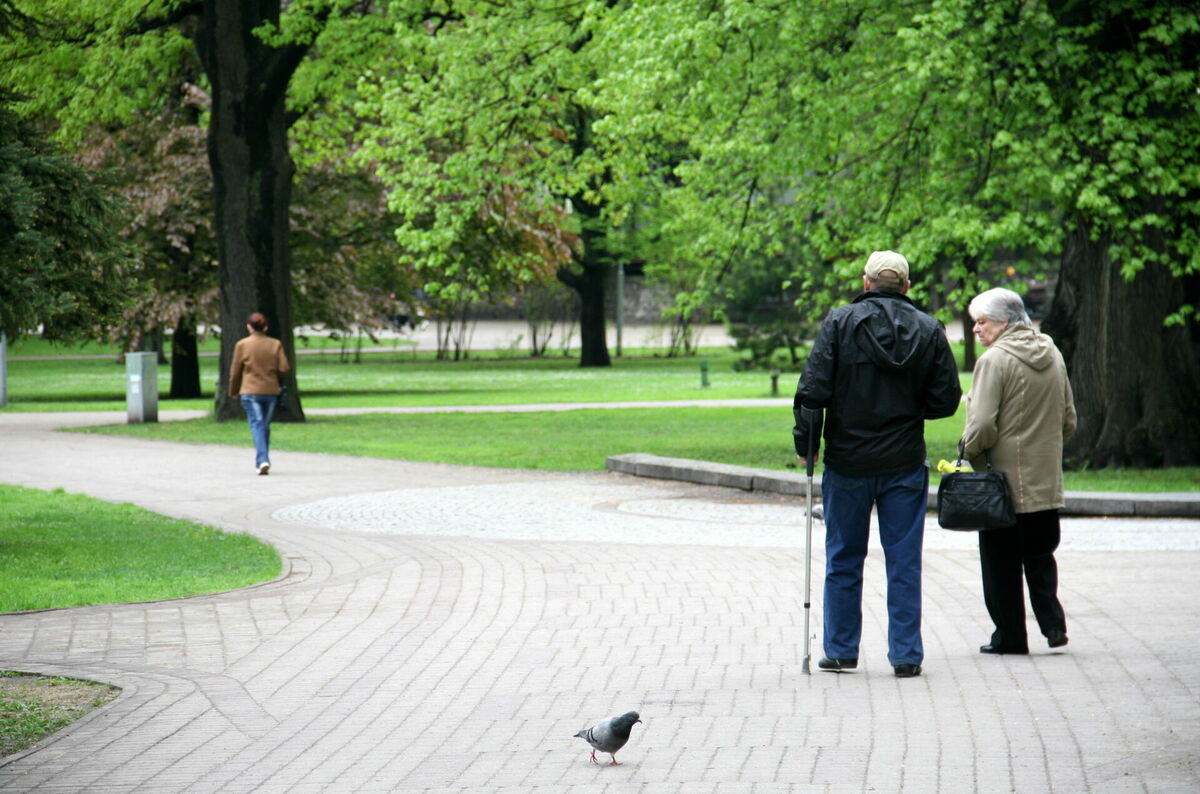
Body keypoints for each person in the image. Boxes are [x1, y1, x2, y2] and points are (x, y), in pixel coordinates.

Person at [793, 250, 962, 678]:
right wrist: (909, 406)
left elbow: (813, 391)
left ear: (866, 282)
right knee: (904, 560)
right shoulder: (929, 329)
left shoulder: (839, 322)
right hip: (904, 461)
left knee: (843, 557)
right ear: (906, 287)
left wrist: (806, 443)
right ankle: (906, 655)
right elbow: (945, 400)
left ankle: (840, 649)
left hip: (848, 460)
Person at [961, 287, 1076, 654]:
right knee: (1041, 554)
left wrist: (967, 452)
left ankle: (1010, 637)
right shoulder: (1053, 353)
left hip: (1002, 484)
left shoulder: (994, 361)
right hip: (1045, 480)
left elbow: (981, 424)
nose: (976, 330)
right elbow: (1069, 419)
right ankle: (1053, 625)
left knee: (1000, 563)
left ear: (1005, 322)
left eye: (982, 322)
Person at [228, 312, 291, 475]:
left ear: (248, 327)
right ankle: (262, 459)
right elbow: (284, 368)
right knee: (264, 426)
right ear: (266, 327)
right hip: (270, 390)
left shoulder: (242, 345)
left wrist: (233, 390)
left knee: (257, 425)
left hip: (250, 391)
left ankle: (262, 460)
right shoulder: (275, 344)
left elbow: (235, 372)